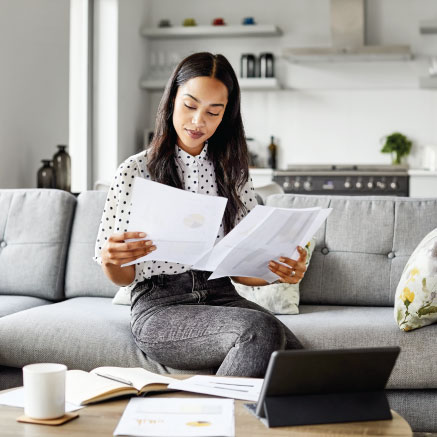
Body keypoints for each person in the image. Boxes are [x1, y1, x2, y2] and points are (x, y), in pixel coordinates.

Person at [94, 52, 306, 377]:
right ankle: (211, 422)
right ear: (172, 101)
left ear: (226, 116)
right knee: (259, 329)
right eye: (190, 106)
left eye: (213, 111)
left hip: (223, 296)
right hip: (160, 306)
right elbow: (124, 277)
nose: (198, 121)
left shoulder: (233, 173)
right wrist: (113, 260)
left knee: (298, 364)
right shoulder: (135, 170)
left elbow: (242, 272)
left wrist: (279, 270)